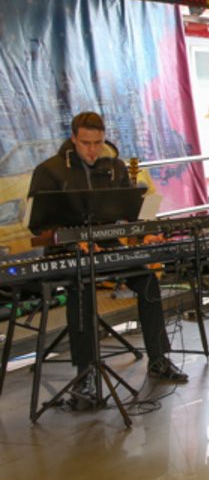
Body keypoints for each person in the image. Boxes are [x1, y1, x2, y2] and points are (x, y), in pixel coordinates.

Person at [28, 111, 188, 403]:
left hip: (108, 247)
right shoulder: (49, 171)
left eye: (98, 143)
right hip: (68, 252)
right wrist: (71, 238)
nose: (92, 150)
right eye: (86, 143)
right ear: (73, 138)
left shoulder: (114, 167)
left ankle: (158, 358)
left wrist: (143, 233)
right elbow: (37, 226)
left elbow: (130, 212)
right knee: (81, 289)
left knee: (147, 280)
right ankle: (85, 373)